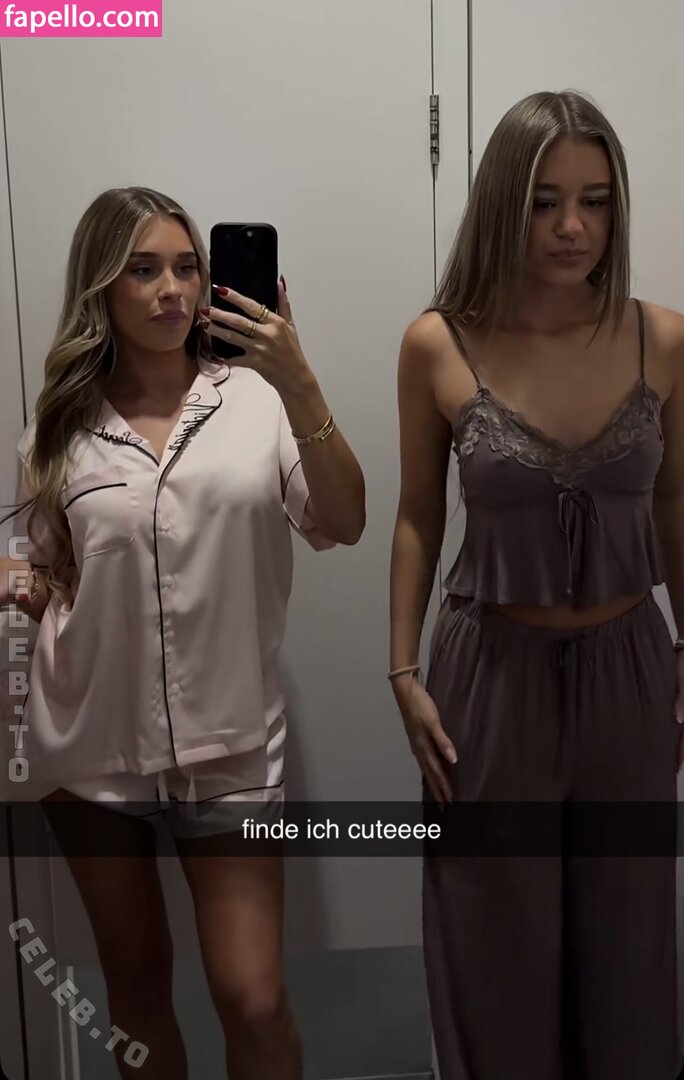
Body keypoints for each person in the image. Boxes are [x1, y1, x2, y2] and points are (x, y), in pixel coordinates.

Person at [0, 186, 365, 1080]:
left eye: (186, 266)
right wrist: (29, 592)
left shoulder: (258, 402)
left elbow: (345, 520)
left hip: (232, 746)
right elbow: (39, 567)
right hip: (91, 747)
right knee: (134, 986)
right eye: (143, 269)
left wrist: (300, 378)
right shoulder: (59, 428)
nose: (171, 289)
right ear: (102, 288)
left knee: (254, 998)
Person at [389, 90, 684, 1080]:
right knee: (496, 940)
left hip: (630, 670)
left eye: (595, 201)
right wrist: (401, 671)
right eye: (545, 201)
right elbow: (418, 516)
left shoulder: (662, 339)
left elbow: (676, 506)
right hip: (490, 675)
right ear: (502, 204)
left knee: (629, 938)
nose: (571, 228)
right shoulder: (438, 342)